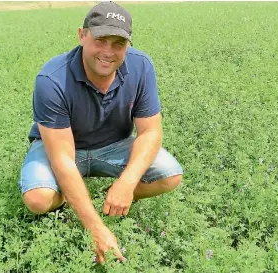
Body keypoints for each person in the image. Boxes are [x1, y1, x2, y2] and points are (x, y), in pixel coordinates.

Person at [18, 1, 183, 264]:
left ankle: (111, 198)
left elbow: (150, 132)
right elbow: (61, 159)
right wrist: (95, 229)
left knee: (170, 175)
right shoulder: (52, 79)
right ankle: (76, 202)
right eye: (100, 39)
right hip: (63, 148)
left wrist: (127, 183)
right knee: (38, 199)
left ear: (128, 45)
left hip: (112, 145)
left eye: (118, 43)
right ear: (82, 36)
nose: (108, 51)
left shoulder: (141, 67)